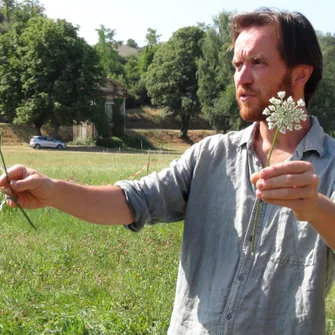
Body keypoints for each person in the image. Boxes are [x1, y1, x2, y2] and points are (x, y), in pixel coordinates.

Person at [1, 8, 335, 335]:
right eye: (237, 65)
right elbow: (134, 201)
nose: (242, 78)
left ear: (300, 74)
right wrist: (54, 191)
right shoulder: (210, 155)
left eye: (258, 63)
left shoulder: (330, 164)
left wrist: (316, 208)